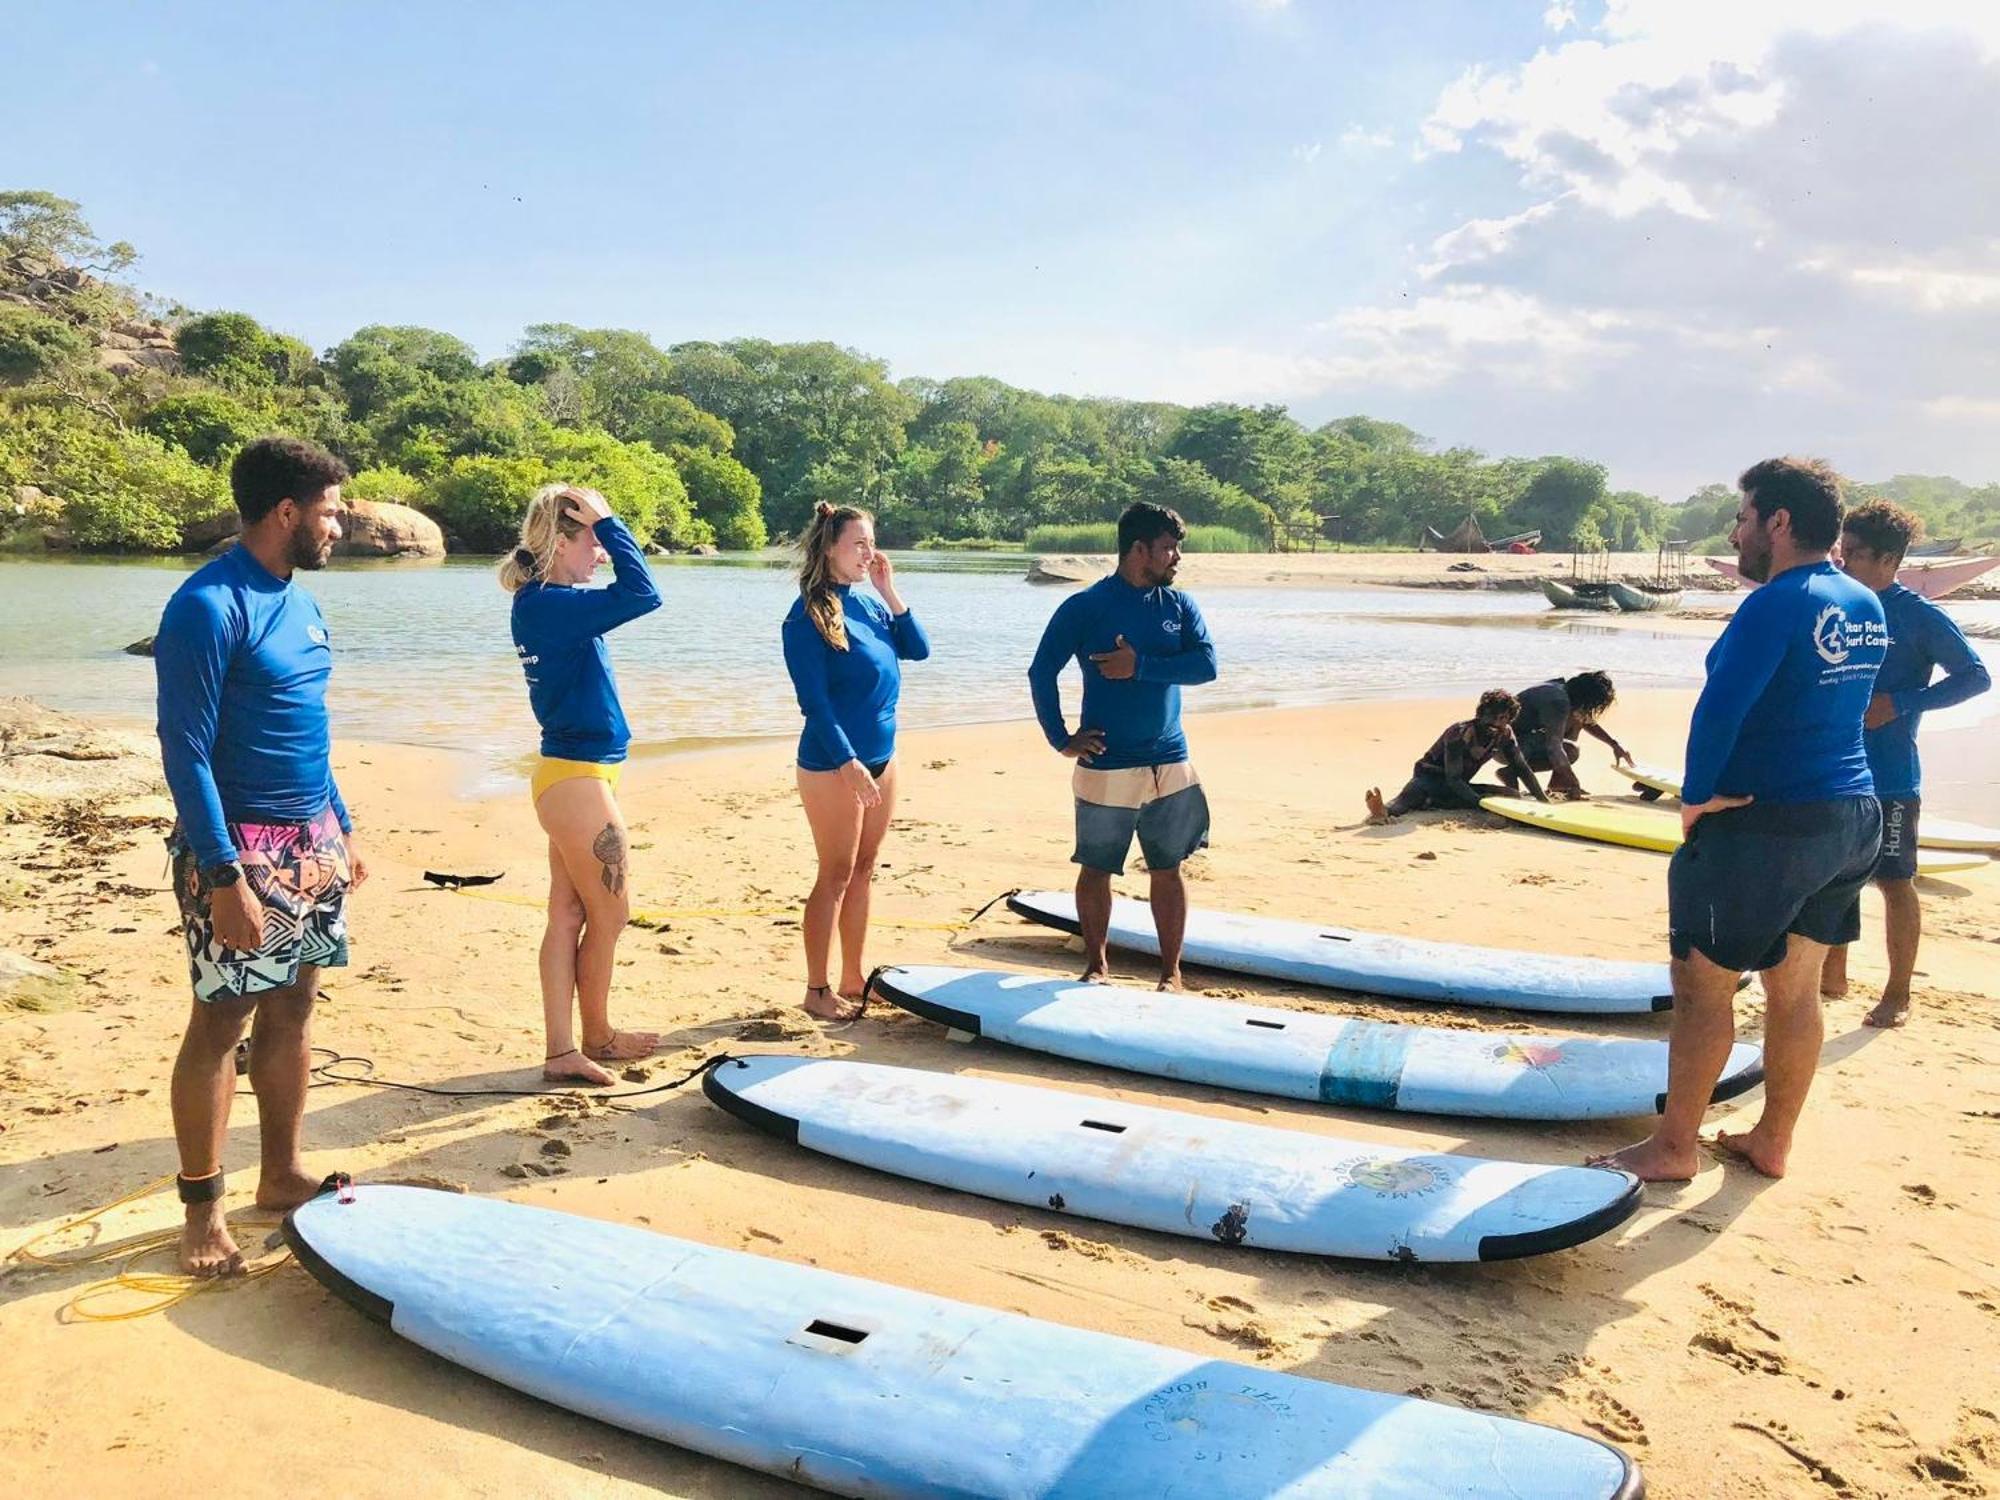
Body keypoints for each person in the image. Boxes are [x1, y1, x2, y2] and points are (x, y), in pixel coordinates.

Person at [1596, 457, 1885, 1182]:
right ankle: (1772, 1140)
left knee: (1703, 986)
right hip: (1851, 817)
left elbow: (1722, 706)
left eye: (1742, 516)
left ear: (1779, 523)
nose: (1736, 532)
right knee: (1796, 987)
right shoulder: (1863, 601)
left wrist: (1696, 796)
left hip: (1770, 825)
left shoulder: (1776, 602)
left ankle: (1672, 1148)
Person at [155, 436, 365, 1277]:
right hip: (238, 848)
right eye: (332, 509)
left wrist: (340, 825)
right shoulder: (207, 606)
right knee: (219, 1024)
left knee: (295, 1010)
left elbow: (304, 727)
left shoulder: (299, 599)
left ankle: (279, 1173)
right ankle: (201, 1212)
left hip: (310, 840)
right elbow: (186, 750)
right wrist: (221, 873)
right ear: (288, 512)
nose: (341, 524)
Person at [503, 484, 663, 1085]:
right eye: (592, 542)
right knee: (612, 913)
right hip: (574, 777)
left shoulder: (552, 602)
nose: (600, 554)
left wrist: (604, 526)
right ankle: (595, 1037)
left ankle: (563, 1050)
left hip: (576, 774)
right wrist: (613, 523)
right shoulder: (547, 605)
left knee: (569, 914)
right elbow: (644, 593)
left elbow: (630, 594)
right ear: (561, 541)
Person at [1028, 502, 1217, 990]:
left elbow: (1206, 666)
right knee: (1096, 868)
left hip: (1170, 761)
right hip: (1106, 762)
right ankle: (1096, 966)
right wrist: (1061, 738)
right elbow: (1041, 671)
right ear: (1139, 550)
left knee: (1167, 869)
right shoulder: (1086, 607)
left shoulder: (1179, 606)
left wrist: (1142, 666)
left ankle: (1171, 973)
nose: (1176, 558)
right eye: (1169, 548)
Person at [1822, 500, 1990, 1026]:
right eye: (1840, 550)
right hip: (1832, 771)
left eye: (1853, 554)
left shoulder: (1919, 616)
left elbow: (1975, 677)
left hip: (1891, 776)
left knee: (1895, 883)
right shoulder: (1838, 605)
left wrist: (1900, 702)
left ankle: (1898, 995)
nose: (1842, 562)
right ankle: (1832, 975)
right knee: (1829, 877)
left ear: (1889, 560)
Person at [782, 503, 931, 1021]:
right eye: (859, 544)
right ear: (829, 549)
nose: (870, 553)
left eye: (872, 542)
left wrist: (891, 591)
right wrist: (847, 762)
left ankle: (852, 976)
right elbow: (815, 704)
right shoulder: (805, 618)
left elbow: (918, 649)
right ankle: (817, 988)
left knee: (865, 870)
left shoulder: (869, 607)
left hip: (883, 759)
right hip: (832, 764)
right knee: (836, 874)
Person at [1366, 689, 1549, 821]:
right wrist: (1479, 804)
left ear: (1509, 719)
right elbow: (1453, 778)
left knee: (1511, 794)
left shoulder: (1505, 733)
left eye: (1502, 718)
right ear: (1480, 715)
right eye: (1491, 716)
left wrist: (1542, 799)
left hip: (1458, 786)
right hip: (1428, 780)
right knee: (1404, 802)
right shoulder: (1459, 733)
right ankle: (1381, 811)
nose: (1496, 722)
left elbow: (1521, 768)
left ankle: (1437, 802)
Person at [1497, 670, 1629, 798]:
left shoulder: (1560, 689)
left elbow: (1585, 720)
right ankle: (1511, 772)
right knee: (1570, 750)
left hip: (1511, 742)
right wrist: (1573, 782)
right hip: (1503, 747)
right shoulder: (1558, 702)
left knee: (1575, 725)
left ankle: (1558, 784)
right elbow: (1554, 748)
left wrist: (1614, 744)